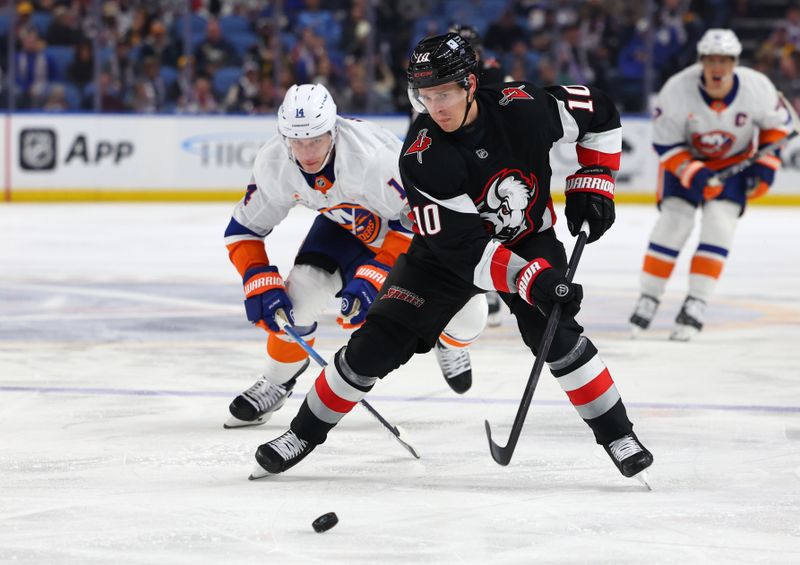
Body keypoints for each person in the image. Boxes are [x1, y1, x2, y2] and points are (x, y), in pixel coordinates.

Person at [250, 33, 653, 482]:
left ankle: (619, 435)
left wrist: (594, 177)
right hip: (444, 258)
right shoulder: (422, 157)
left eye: (444, 93)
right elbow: (465, 249)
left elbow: (600, 112)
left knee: (555, 333)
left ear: (469, 84)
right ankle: (302, 433)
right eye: (425, 95)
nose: (435, 107)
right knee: (374, 344)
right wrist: (529, 279)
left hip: (527, 239)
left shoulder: (524, 107)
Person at [223, 83, 487, 429]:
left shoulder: (374, 158)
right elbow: (243, 230)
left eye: (315, 139)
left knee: (471, 316)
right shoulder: (275, 161)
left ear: (333, 130)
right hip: (344, 230)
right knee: (296, 299)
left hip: (415, 236)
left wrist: (378, 272)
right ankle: (276, 381)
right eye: (297, 141)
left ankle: (447, 339)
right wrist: (256, 275)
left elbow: (422, 222)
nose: (306, 152)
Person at [629, 29, 791, 341]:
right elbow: (665, 145)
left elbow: (775, 130)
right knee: (674, 223)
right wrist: (696, 174)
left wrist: (765, 169)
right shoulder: (676, 90)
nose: (718, 68)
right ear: (702, 61)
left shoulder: (757, 87)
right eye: (712, 60)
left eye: (725, 60)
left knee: (720, 225)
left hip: (733, 163)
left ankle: (696, 302)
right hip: (686, 162)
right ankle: (649, 296)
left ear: (735, 62)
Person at [450, 23, 509, 326]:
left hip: (485, 150)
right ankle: (474, 284)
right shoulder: (442, 72)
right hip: (455, 151)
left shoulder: (492, 72)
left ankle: (493, 285)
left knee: (491, 215)